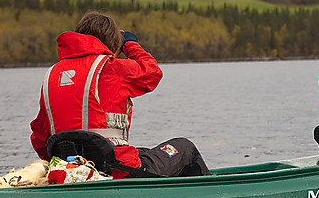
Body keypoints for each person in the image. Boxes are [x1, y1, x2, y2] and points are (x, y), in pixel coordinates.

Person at [30, 11, 210, 178]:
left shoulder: (52, 75)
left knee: (143, 152)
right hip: (117, 171)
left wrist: (69, 167)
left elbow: (39, 137)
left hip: (71, 173)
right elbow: (152, 73)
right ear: (112, 43)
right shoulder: (111, 68)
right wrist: (130, 44)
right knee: (185, 148)